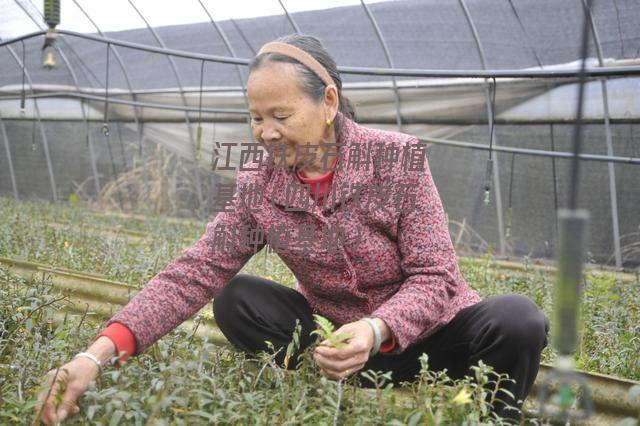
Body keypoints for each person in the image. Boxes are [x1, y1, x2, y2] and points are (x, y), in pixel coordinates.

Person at [35, 34, 549, 425]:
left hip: (433, 340)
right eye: (256, 117)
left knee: (518, 320)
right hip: (335, 346)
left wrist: (375, 329)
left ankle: (491, 415)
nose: (266, 132)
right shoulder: (260, 182)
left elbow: (436, 277)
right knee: (235, 297)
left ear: (328, 102)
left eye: (280, 114)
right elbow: (193, 272)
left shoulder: (395, 159)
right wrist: (94, 355)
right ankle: (321, 382)